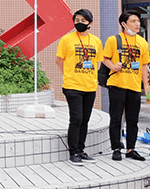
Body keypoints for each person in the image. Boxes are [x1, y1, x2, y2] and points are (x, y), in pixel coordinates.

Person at [55, 9, 103, 165]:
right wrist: (68, 75)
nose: (79, 23)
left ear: (90, 23)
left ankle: (81, 150)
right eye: (77, 20)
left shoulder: (96, 41)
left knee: (85, 120)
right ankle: (73, 152)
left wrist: (93, 78)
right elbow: (59, 61)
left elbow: (97, 62)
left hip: (90, 86)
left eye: (83, 20)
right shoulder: (66, 39)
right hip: (72, 86)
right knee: (76, 118)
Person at [103, 9, 149, 162]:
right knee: (116, 118)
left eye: (138, 21)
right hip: (117, 84)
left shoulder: (142, 42)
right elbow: (105, 59)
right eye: (133, 21)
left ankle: (131, 149)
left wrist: (147, 88)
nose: (137, 24)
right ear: (124, 24)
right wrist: (113, 66)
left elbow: (143, 66)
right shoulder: (114, 40)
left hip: (135, 86)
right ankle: (116, 148)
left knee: (133, 120)